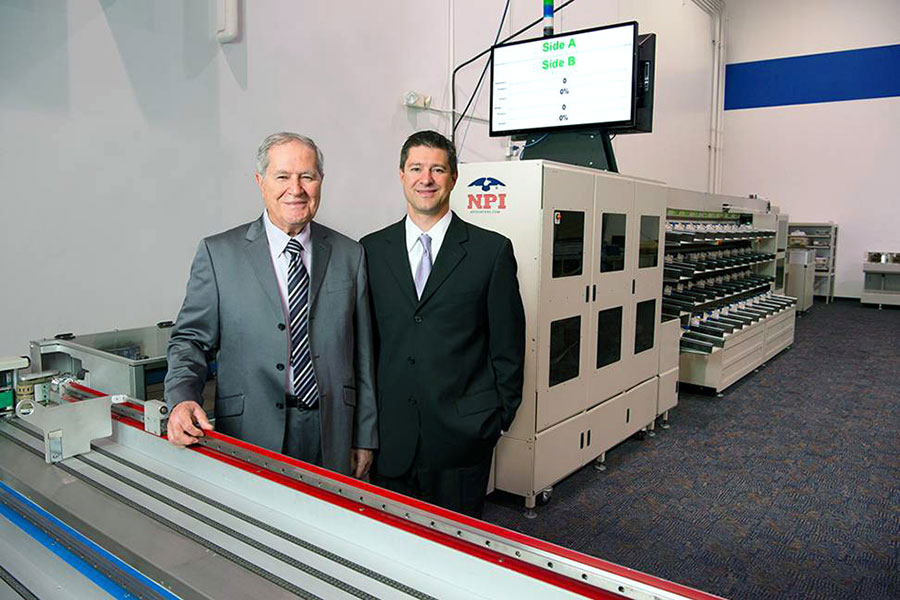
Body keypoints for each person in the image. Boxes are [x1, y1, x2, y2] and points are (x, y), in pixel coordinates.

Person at [164, 132, 377, 478]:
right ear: (260, 182)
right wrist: (182, 398)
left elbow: (363, 355)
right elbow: (190, 341)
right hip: (252, 429)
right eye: (282, 176)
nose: (296, 189)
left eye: (307, 176)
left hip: (332, 429)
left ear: (320, 181)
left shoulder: (350, 255)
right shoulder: (219, 254)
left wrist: (364, 435)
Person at [361, 130, 525, 517]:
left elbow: (508, 346)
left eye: (438, 169)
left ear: (453, 178)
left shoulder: (491, 252)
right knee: (390, 545)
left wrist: (496, 419)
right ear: (401, 175)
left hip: (462, 438)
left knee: (458, 549)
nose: (426, 179)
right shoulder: (369, 250)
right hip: (390, 436)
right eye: (416, 168)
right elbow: (364, 346)